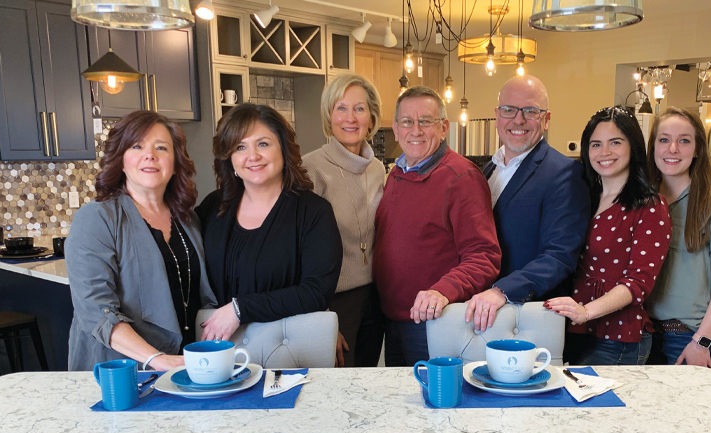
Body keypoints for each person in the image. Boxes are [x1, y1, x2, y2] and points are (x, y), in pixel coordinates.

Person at [66, 110, 216, 371]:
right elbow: (96, 311)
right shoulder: (97, 218)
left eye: (161, 147)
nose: (150, 155)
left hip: (182, 365)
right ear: (121, 160)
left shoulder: (188, 219)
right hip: (120, 370)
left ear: (175, 162)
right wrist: (156, 359)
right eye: (137, 146)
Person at [373, 85, 501, 366]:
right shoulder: (397, 173)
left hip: (434, 322)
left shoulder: (462, 177)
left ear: (443, 128)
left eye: (425, 121)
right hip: (393, 320)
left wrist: (442, 290)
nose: (415, 130)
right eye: (407, 121)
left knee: (434, 394)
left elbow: (484, 257)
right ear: (396, 129)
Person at [196, 103, 342, 342]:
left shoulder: (314, 212)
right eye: (240, 147)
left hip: (289, 348)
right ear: (229, 157)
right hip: (218, 346)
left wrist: (240, 309)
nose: (253, 156)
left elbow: (316, 292)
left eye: (263, 144)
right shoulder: (212, 207)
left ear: (283, 148)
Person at [545, 106, 671, 365]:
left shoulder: (649, 206)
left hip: (616, 337)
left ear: (633, 146)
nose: (604, 152)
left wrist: (585, 311)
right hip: (573, 329)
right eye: (596, 144)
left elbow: (638, 283)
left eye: (615, 142)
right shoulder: (584, 198)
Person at [465, 75, 590, 331]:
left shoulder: (565, 173)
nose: (518, 120)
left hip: (527, 318)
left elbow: (559, 256)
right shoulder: (487, 169)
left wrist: (502, 291)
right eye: (509, 109)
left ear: (546, 119)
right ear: (497, 115)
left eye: (531, 111)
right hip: (478, 311)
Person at [646, 107, 711, 369]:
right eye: (664, 139)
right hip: (644, 334)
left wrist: (701, 342)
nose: (673, 149)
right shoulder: (645, 199)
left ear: (698, 148)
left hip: (689, 337)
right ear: (653, 146)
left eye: (684, 141)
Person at [303, 74, 385, 367]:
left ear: (371, 117)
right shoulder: (310, 169)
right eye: (341, 108)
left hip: (375, 298)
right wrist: (322, 315)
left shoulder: (378, 169)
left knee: (368, 381)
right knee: (339, 384)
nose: (350, 118)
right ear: (329, 115)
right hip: (334, 302)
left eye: (359, 108)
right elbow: (300, 252)